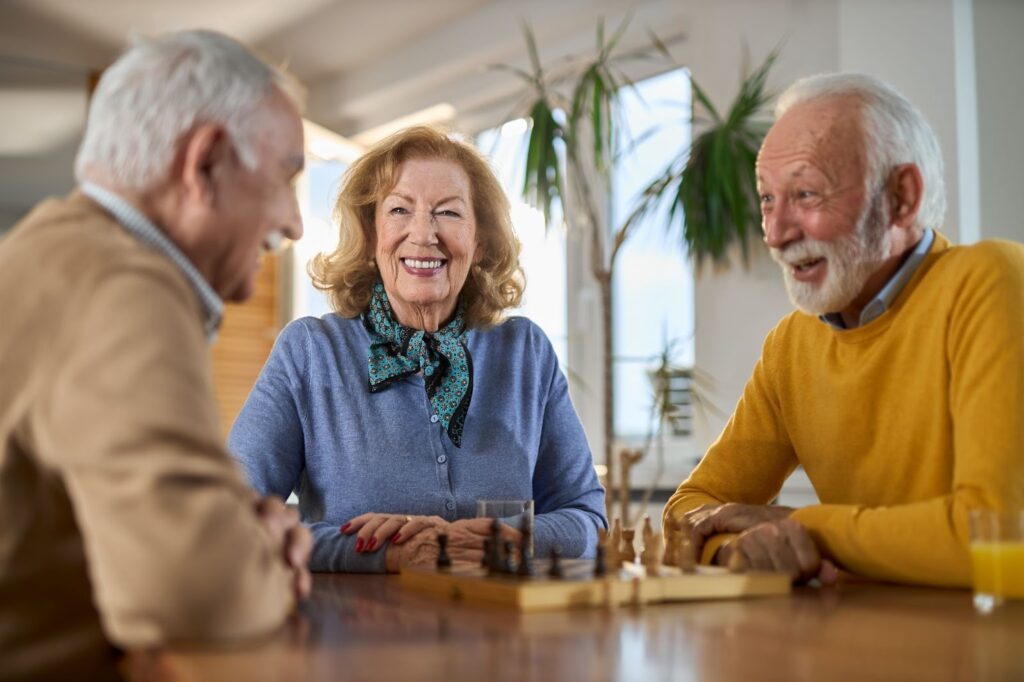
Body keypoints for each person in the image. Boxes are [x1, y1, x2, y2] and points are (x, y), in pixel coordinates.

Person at [0, 30, 312, 680]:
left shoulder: (54, 250)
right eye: (287, 176)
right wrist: (257, 557)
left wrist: (235, 533)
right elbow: (198, 593)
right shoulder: (123, 286)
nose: (294, 223)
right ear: (205, 163)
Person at [663, 73, 1024, 588]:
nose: (776, 233)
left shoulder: (992, 280)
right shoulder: (791, 344)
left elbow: (996, 535)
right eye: (767, 199)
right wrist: (736, 545)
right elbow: (690, 507)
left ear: (902, 196)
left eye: (806, 193)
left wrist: (803, 527)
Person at [229, 126, 606, 573]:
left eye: (448, 212)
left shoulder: (526, 353)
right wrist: (381, 553)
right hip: (354, 636)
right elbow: (233, 519)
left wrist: (511, 538)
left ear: (480, 241)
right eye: (399, 210)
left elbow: (588, 519)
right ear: (371, 235)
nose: (423, 233)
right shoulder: (310, 351)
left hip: (502, 635)